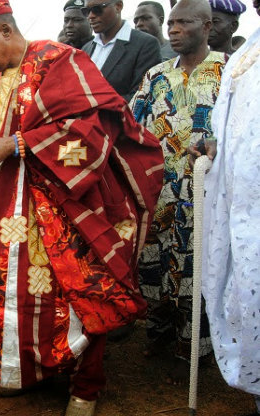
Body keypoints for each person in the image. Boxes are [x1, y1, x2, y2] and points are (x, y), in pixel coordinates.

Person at [0, 1, 164, 414]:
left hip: (57, 208)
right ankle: (22, 369)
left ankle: (86, 385)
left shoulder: (60, 61)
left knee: (78, 291)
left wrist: (15, 144)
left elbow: (91, 128)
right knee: (6, 295)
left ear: (6, 31)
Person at [130, 0, 227, 384]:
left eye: (183, 22)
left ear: (207, 26)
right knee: (152, 266)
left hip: (207, 195)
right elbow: (130, 123)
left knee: (195, 273)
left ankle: (194, 351)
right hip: (159, 193)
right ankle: (159, 334)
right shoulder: (155, 75)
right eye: (170, 23)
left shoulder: (228, 71)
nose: (173, 29)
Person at [199, 1, 260, 414]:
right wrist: (210, 146)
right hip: (238, 202)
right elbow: (229, 118)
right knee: (244, 292)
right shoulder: (246, 52)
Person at [82, 0, 162, 101]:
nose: (90, 16)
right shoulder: (86, 49)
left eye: (97, 9)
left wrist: (93, 104)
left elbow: (142, 97)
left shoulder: (145, 44)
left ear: (118, 6)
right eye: (86, 11)